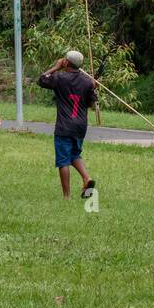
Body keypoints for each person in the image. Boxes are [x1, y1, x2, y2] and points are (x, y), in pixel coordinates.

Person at [37, 49, 97, 199]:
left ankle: (66, 197)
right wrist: (93, 87)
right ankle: (86, 178)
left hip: (64, 126)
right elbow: (91, 103)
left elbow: (42, 80)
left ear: (67, 62)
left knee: (63, 161)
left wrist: (56, 67)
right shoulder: (87, 81)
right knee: (75, 154)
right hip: (80, 126)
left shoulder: (60, 77)